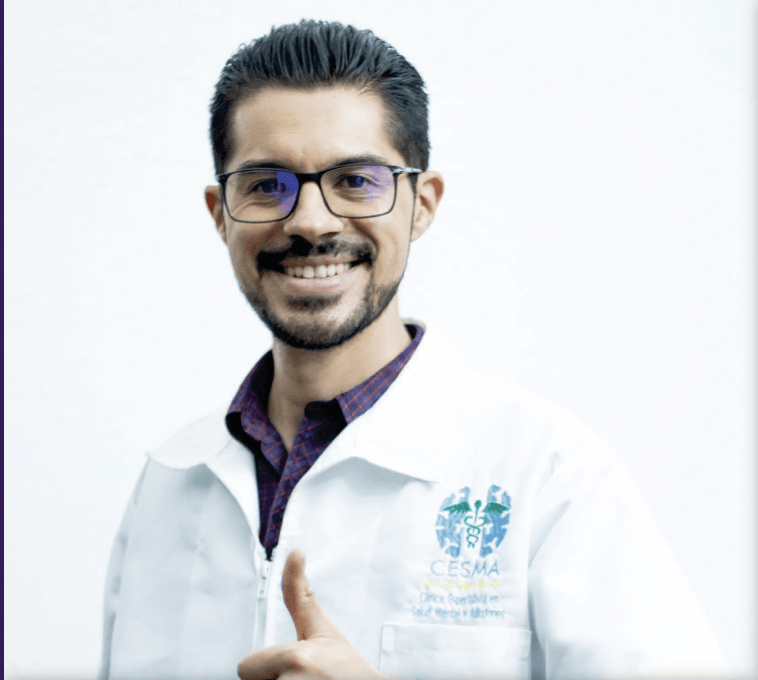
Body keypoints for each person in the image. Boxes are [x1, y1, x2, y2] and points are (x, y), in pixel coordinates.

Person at [99, 20, 729, 680]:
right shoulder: (169, 483)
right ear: (220, 213)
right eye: (265, 184)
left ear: (421, 205)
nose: (310, 221)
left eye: (356, 180)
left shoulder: (550, 476)